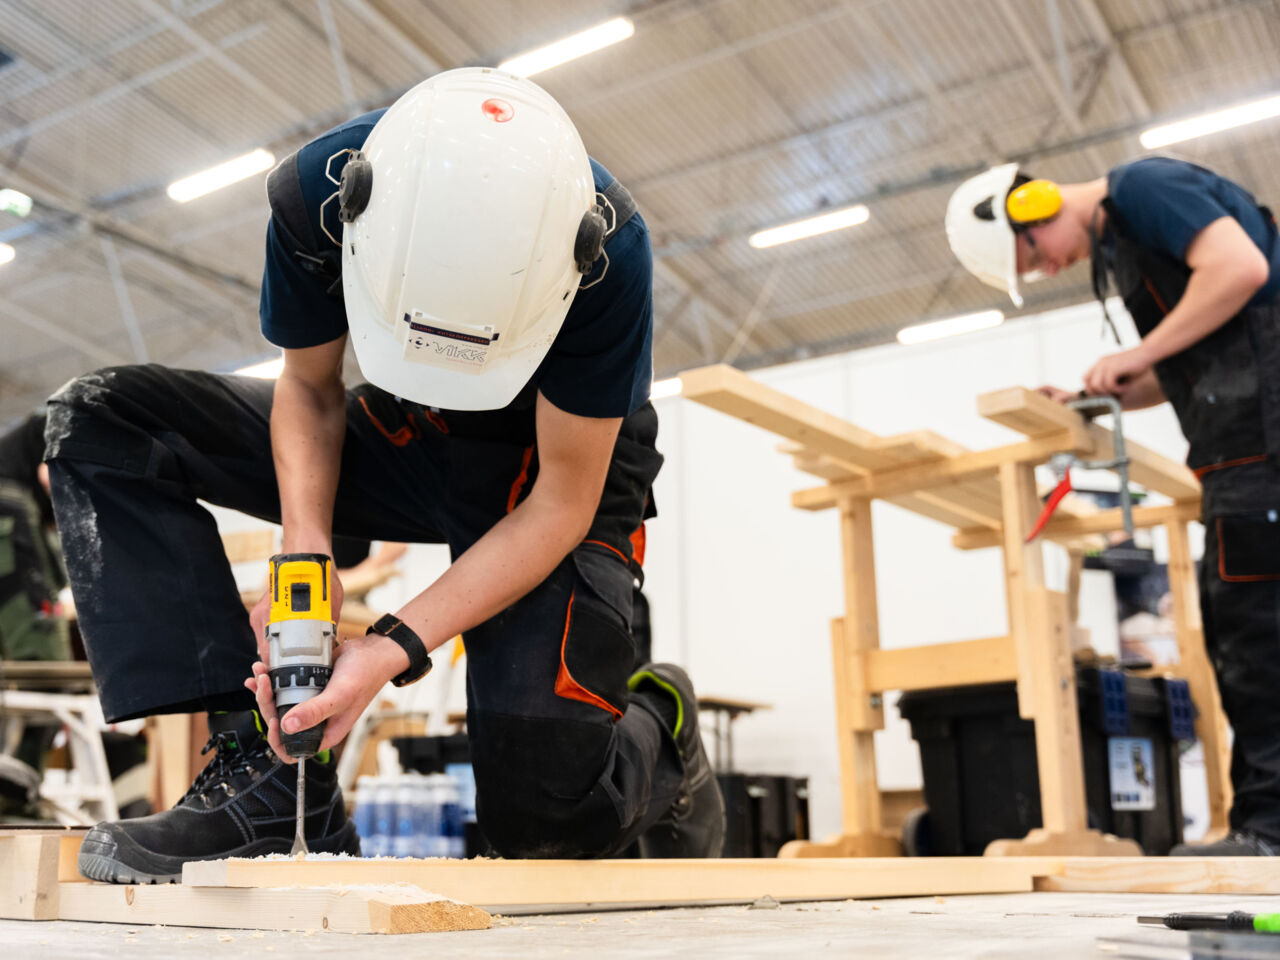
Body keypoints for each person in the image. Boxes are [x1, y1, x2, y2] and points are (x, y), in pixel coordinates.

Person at [46, 68, 723, 883]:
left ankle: (664, 723)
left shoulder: (607, 252)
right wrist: (306, 550)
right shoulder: (321, 194)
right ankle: (270, 775)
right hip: (407, 422)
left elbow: (561, 503)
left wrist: (392, 645)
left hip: (553, 461)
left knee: (546, 825)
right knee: (100, 419)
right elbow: (308, 388)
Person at [946, 156, 1280, 855]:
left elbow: (1240, 269)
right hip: (1240, 453)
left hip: (1261, 453)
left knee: (1258, 639)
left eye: (1033, 256)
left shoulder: (1143, 189)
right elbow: (1190, 359)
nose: (1047, 269)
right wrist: (1097, 396)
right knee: (1241, 632)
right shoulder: (1124, 244)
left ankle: (1269, 831)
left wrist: (1141, 351)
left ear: (1034, 206)